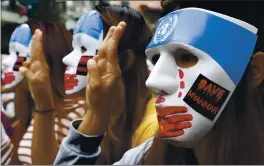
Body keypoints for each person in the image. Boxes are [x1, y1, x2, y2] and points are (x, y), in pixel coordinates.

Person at [54, 6, 264, 165]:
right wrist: (96, 118)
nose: (153, 82)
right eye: (155, 60)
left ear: (255, 71)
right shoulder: (143, 158)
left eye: (186, 57)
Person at [60, 5, 158, 164]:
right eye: (74, 47)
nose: (66, 59)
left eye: (84, 48)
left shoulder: (154, 130)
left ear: (124, 61)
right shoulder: (94, 109)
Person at [13, 21, 86, 165]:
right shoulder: (34, 106)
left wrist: (43, 104)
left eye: (24, 56)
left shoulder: (76, 111)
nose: (15, 64)